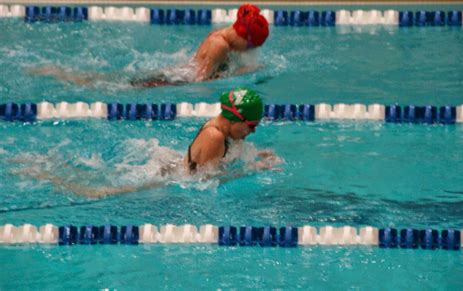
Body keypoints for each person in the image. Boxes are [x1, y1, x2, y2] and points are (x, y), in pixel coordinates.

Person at [8, 88, 281, 198]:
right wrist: (252, 170)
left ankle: (40, 167)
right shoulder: (214, 137)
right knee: (97, 192)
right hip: (165, 177)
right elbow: (203, 183)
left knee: (99, 179)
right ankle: (40, 174)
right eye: (251, 126)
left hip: (171, 166)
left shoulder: (222, 129)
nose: (252, 133)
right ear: (237, 119)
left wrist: (253, 158)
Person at [28, 4, 270, 87]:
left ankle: (61, 74)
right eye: (249, 45)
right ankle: (59, 74)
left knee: (113, 80)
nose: (247, 50)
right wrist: (237, 75)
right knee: (109, 84)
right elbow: (199, 81)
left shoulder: (224, 37)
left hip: (175, 73)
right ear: (242, 36)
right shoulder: (220, 46)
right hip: (172, 81)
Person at [185, 87, 279, 172]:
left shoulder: (224, 132)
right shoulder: (214, 136)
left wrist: (256, 155)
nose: (253, 131)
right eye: (251, 125)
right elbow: (204, 181)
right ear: (235, 119)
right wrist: (253, 168)